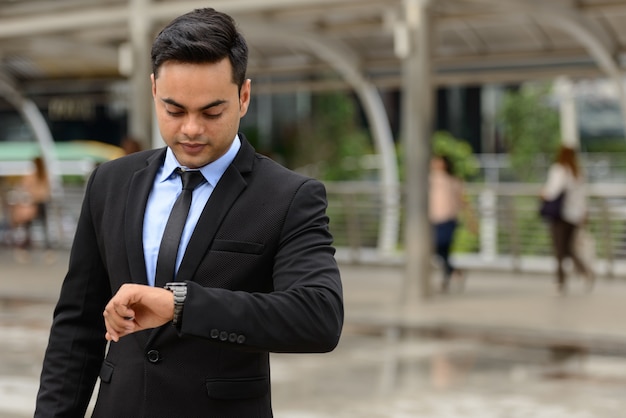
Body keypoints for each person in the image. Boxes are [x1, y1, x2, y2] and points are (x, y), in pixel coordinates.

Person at [35, 8, 343, 418]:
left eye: (211, 112)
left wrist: (180, 305)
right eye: (174, 110)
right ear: (153, 91)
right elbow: (76, 327)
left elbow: (317, 317)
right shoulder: (109, 183)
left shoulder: (289, 196)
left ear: (244, 96)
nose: (191, 129)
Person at [541, 145, 594, 294]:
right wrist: (584, 213)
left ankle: (561, 280)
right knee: (569, 248)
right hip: (575, 215)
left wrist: (543, 194)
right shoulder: (577, 172)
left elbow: (552, 191)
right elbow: (583, 196)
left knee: (560, 249)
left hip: (561, 215)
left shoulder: (559, 169)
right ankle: (584, 272)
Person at [429, 155, 474, 292]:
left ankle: (449, 275)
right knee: (442, 251)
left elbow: (463, 201)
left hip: (448, 219)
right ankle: (451, 274)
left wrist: (471, 219)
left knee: (441, 246)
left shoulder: (453, 181)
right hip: (432, 219)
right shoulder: (428, 180)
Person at [8, 156, 52, 263]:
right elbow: (47, 189)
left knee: (28, 227)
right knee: (42, 226)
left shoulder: (33, 174)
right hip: (42, 202)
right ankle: (46, 250)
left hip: (35, 202)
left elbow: (25, 186)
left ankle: (23, 249)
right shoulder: (44, 174)